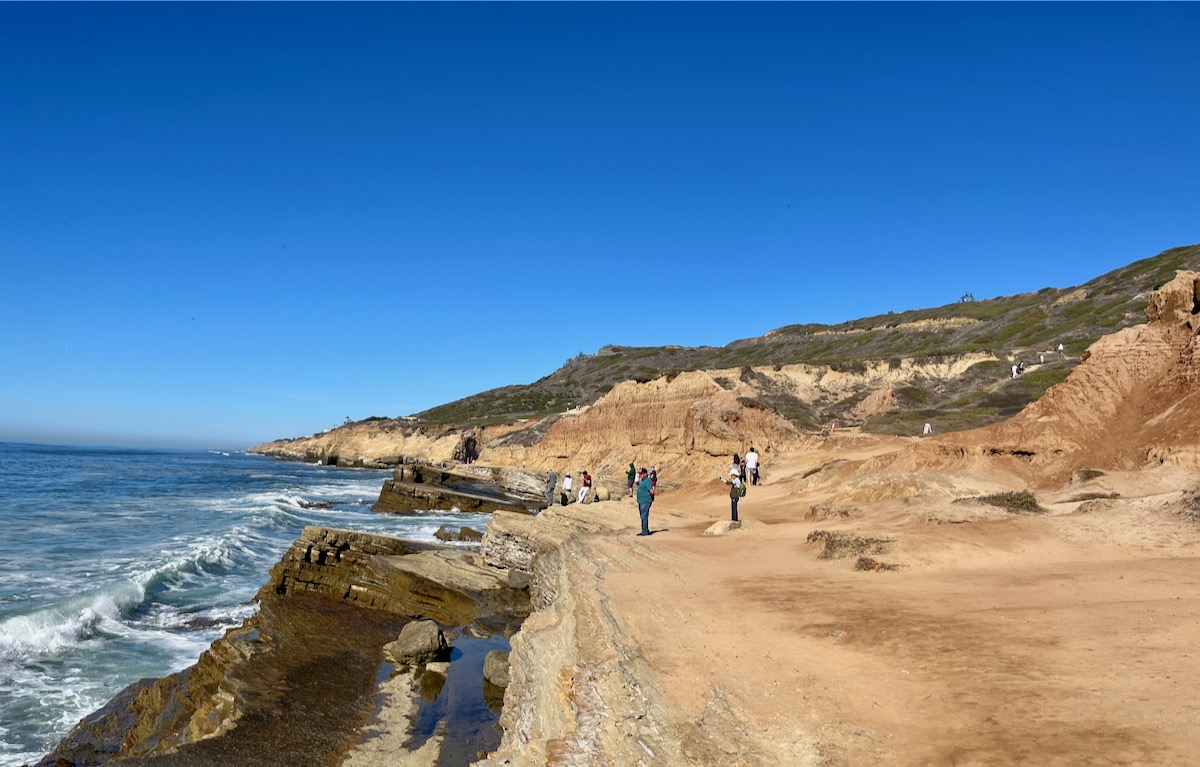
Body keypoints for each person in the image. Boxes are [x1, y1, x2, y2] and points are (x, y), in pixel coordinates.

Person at [635, 468, 654, 535]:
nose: (640, 475)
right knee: (642, 516)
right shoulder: (642, 480)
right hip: (641, 501)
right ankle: (645, 529)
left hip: (645, 501)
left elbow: (651, 491)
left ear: (645, 474)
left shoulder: (647, 481)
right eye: (640, 474)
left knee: (644, 516)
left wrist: (650, 499)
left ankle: (645, 531)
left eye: (641, 474)